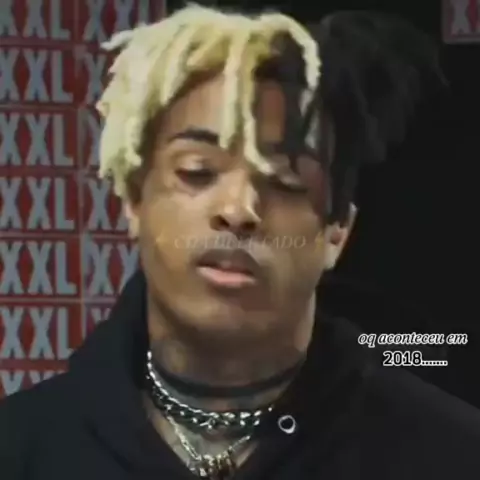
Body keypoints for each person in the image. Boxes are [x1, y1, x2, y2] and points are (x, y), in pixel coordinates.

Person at [1, 5, 479, 480]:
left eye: (287, 180)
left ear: (337, 232)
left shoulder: (451, 454)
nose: (238, 209)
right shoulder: (19, 447)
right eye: (197, 172)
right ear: (133, 200)